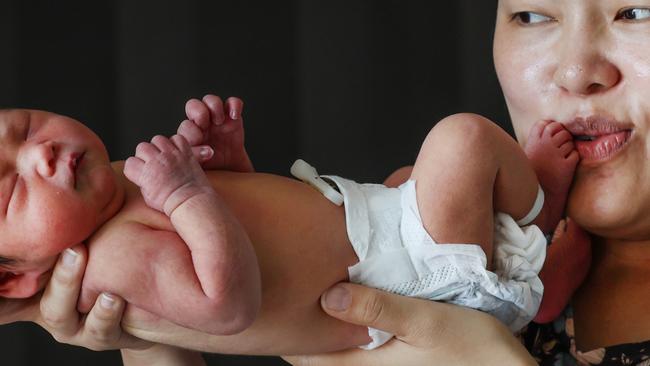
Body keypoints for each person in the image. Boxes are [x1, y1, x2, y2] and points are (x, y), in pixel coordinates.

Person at [0, 83, 578, 354]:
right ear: (13, 280)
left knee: (414, 177)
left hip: (376, 232)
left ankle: (527, 275)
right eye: (11, 192)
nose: (38, 154)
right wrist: (186, 196)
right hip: (393, 283)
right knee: (463, 140)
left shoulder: (120, 186)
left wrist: (228, 171)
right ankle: (541, 215)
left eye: (23, 128)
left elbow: (262, 245)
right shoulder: (111, 261)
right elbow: (228, 306)